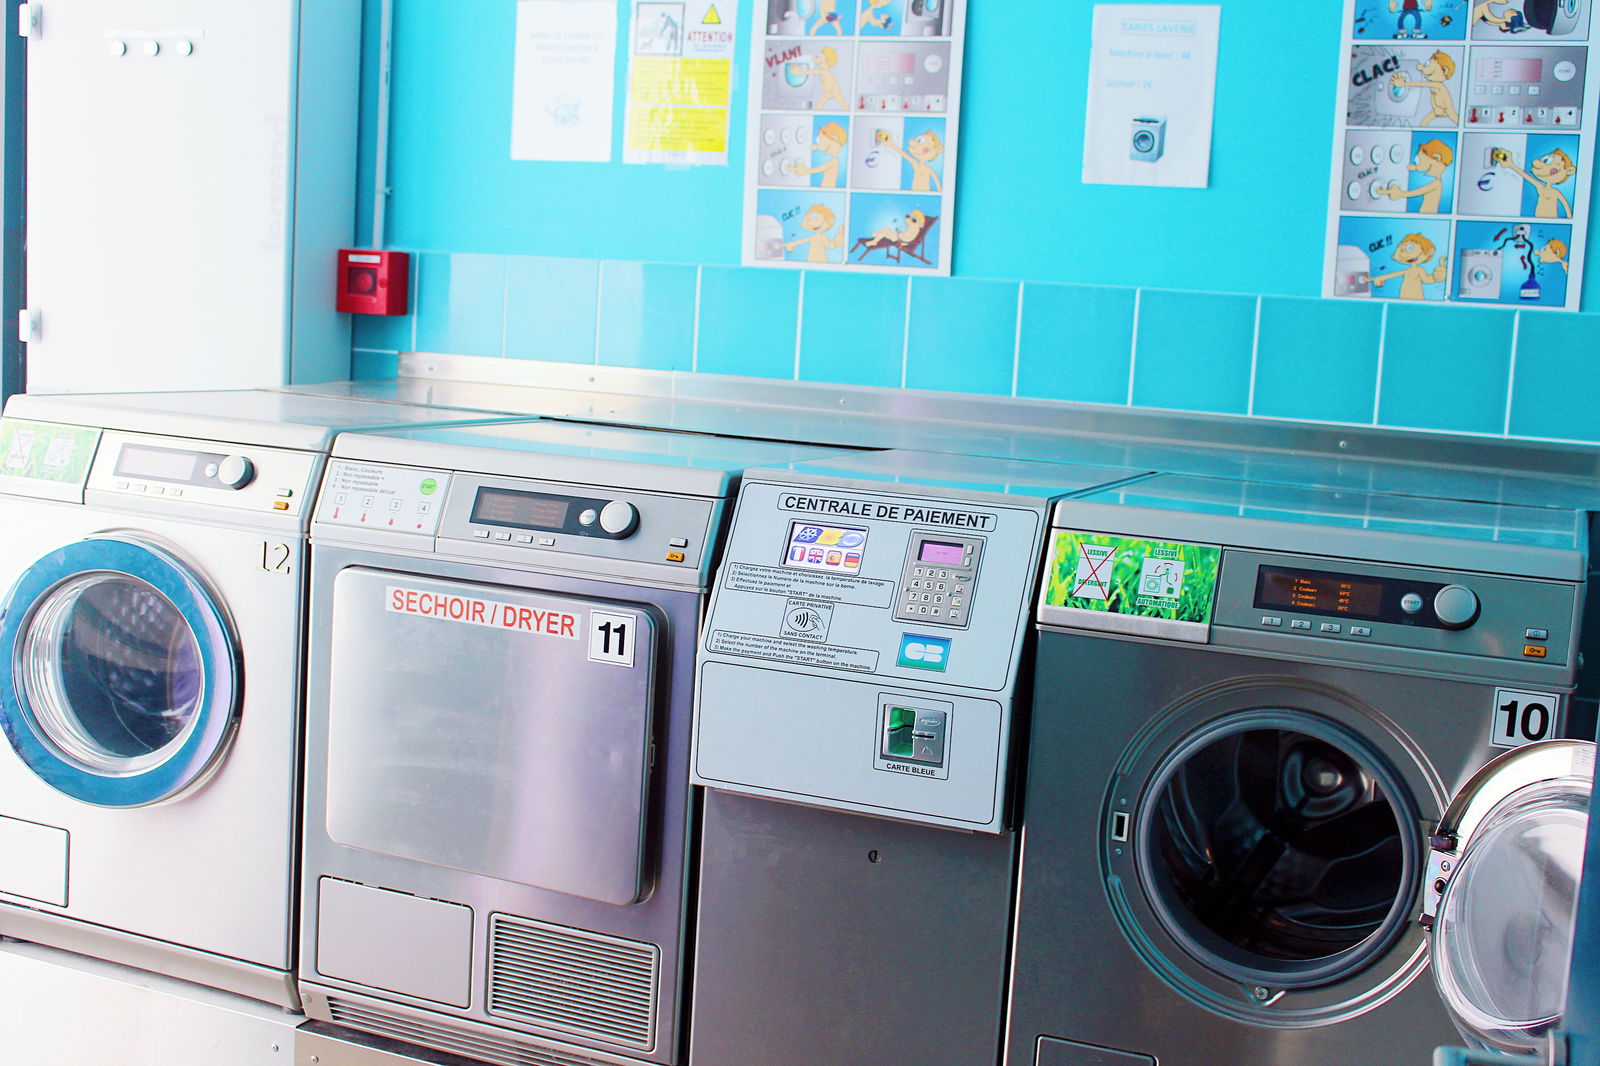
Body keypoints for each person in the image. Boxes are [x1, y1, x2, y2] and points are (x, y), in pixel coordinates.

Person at [1381, 137, 1453, 213]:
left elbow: (1416, 193)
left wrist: (1400, 194)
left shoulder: (1436, 184)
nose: (1417, 159)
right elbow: (1424, 166)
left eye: (1421, 155)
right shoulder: (1436, 180)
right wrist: (1416, 167)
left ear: (1436, 158)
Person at [1499, 148, 1577, 218]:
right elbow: (1527, 177)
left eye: (1553, 170)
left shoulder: (1555, 193)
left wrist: (1570, 219)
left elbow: (1566, 206)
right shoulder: (1540, 188)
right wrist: (1511, 165)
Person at [1368, 233, 1447, 299]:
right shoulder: (1408, 271)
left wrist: (1436, 278)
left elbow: (1426, 280)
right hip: (1404, 297)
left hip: (1415, 298)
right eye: (1402, 248)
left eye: (1409, 248)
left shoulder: (1419, 269)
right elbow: (1394, 274)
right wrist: (1378, 278)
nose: (1404, 254)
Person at [1389, 51, 1458, 126]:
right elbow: (1433, 98)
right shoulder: (1434, 86)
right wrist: (1436, 108)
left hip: (1447, 110)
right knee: (1423, 124)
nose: (1427, 66)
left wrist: (1404, 84)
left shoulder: (1439, 85)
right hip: (1438, 109)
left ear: (1444, 70)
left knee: (1457, 120)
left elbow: (1422, 84)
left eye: (1430, 63)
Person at [874, 128, 944, 192]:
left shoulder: (928, 169)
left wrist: (940, 192)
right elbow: (904, 155)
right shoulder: (916, 165)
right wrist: (891, 144)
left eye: (920, 141)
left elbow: (937, 182)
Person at [851, 208, 931, 260]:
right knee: (886, 231)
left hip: (902, 242)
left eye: (913, 220)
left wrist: (900, 235)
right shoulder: (912, 228)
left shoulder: (915, 229)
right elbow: (906, 234)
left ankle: (874, 241)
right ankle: (879, 235)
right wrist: (900, 233)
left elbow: (909, 238)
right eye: (908, 216)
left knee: (886, 230)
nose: (908, 219)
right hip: (900, 238)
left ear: (918, 224)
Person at [786, 122, 847, 187]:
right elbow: (823, 146)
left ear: (833, 139)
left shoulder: (833, 161)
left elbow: (818, 169)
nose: (819, 142)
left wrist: (805, 171)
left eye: (821, 140)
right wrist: (816, 147)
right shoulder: (833, 158)